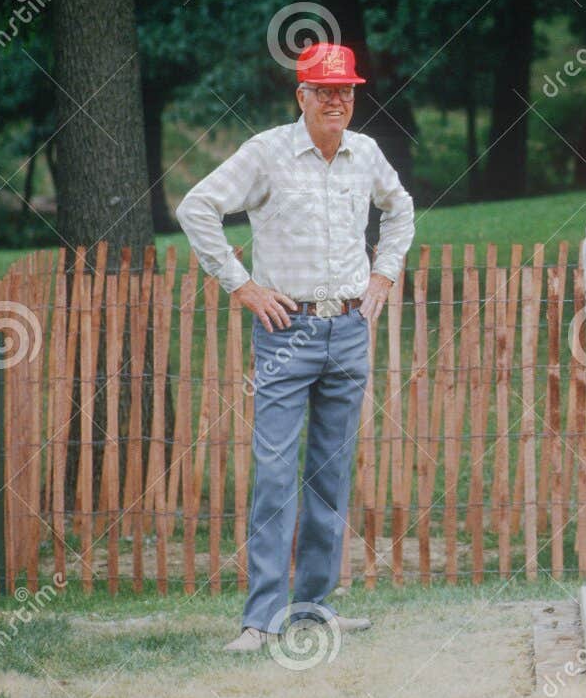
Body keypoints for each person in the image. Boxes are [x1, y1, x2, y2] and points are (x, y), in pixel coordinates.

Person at [176, 42, 414, 652]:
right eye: (324, 90)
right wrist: (242, 285)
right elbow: (197, 206)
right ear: (300, 96)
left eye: (346, 91)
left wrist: (384, 272)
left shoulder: (365, 154)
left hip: (349, 329)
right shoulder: (268, 153)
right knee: (277, 474)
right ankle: (261, 619)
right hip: (285, 332)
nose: (337, 101)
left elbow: (401, 207)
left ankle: (313, 607)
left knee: (331, 474)